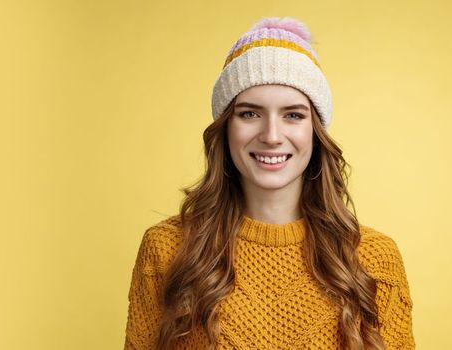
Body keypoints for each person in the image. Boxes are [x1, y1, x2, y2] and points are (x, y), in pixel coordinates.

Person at [124, 17, 415, 350]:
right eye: (250, 113)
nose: (272, 136)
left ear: (315, 133)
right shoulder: (167, 249)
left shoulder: (375, 258)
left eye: (293, 114)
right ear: (226, 128)